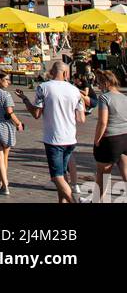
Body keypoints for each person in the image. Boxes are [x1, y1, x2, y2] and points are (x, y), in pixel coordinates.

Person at [17, 59, 86, 203]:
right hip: (70, 138)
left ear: (52, 72)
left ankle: (73, 201)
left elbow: (36, 114)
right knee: (63, 173)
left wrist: (25, 100)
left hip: (54, 138)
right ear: (66, 73)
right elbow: (81, 118)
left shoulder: (44, 87)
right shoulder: (75, 90)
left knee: (57, 177)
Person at [92, 70, 127, 202]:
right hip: (125, 138)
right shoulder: (124, 97)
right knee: (126, 173)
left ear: (106, 83)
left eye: (99, 83)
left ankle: (97, 200)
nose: (98, 86)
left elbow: (103, 122)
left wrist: (97, 140)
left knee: (102, 174)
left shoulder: (104, 97)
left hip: (111, 140)